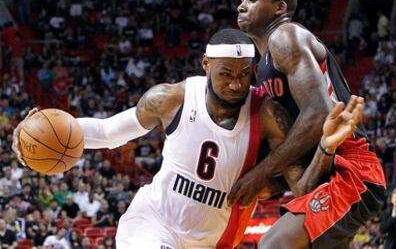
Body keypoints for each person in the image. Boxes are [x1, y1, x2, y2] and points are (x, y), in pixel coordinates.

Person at [13, 29, 364, 248]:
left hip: (214, 240)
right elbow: (107, 132)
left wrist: (327, 146)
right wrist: (40, 132)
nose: (236, 83)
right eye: (226, 73)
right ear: (205, 65)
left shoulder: (269, 118)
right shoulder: (171, 98)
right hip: (151, 222)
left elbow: (302, 189)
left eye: (245, 74)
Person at [229, 0, 386, 248]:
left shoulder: (285, 36)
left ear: (279, 8)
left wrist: (262, 172)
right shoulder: (262, 65)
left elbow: (318, 114)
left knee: (273, 245)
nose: (241, 6)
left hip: (352, 169)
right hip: (321, 170)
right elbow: (295, 143)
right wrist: (275, 182)